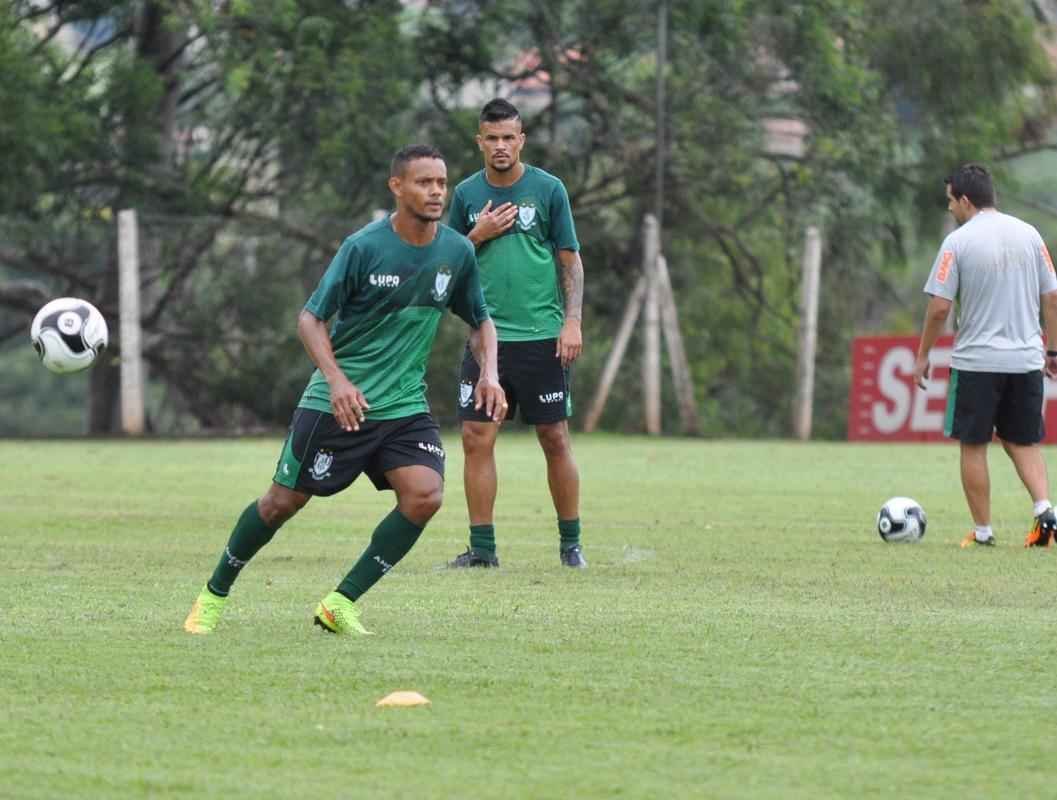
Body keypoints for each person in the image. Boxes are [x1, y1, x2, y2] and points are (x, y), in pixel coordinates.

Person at [183, 144, 505, 635]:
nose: (437, 192)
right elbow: (310, 319)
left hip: (403, 405)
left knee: (425, 496)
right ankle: (213, 594)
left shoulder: (456, 251)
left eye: (441, 183)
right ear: (397, 187)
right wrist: (336, 381)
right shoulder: (363, 247)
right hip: (339, 404)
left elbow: (481, 321)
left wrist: (489, 373)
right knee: (280, 504)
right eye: (424, 182)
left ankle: (340, 603)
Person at [445, 98, 586, 569]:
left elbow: (570, 261)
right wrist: (477, 234)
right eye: (492, 138)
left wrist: (572, 321)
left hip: (542, 336)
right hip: (486, 339)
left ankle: (571, 546)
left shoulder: (548, 189)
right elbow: (446, 260)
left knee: (554, 437)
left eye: (509, 137)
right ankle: (483, 550)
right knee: (475, 437)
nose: (501, 146)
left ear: (521, 140)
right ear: (480, 142)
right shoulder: (465, 195)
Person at [913, 163, 1057, 548]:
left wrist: (923, 355)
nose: (949, 208)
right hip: (1026, 359)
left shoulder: (957, 242)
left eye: (950, 201)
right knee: (1023, 441)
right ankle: (1046, 512)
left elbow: (939, 308)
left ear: (965, 200)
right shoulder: (1030, 234)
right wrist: (1053, 350)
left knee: (973, 444)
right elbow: (1052, 297)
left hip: (976, 362)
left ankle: (982, 532)